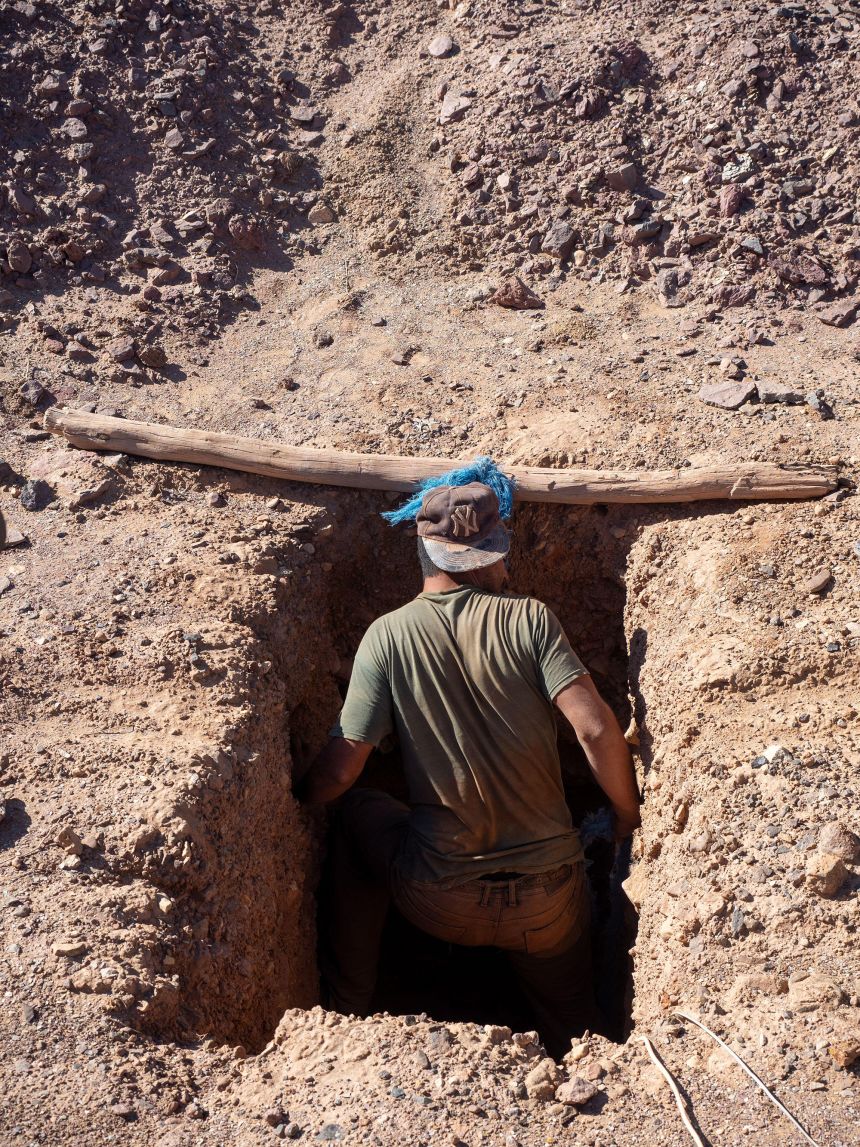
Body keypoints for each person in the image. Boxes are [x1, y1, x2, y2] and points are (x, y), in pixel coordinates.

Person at [296, 481, 641, 1056]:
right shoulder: (531, 619)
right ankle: (591, 1081)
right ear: (493, 553)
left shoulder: (387, 636)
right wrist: (625, 815)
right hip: (549, 901)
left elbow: (340, 772)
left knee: (358, 813)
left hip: (435, 898)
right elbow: (595, 729)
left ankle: (346, 1012)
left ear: (425, 550)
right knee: (577, 1025)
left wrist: (297, 801)